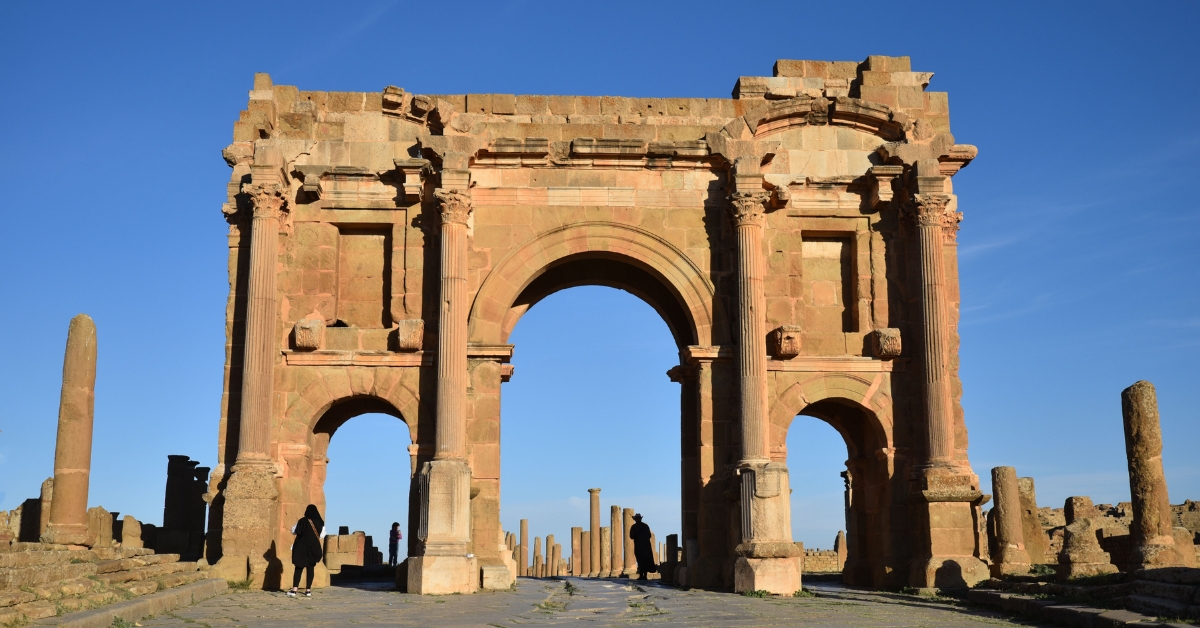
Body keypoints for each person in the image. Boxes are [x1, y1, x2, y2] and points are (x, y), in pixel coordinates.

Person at [287, 504, 324, 597]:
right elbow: (322, 535)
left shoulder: (303, 521)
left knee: (298, 568)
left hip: (301, 547)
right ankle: (308, 590)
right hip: (313, 548)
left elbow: (294, 531)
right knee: (310, 569)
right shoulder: (320, 522)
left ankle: (294, 590)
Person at [629, 513, 656, 580]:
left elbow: (631, 536)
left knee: (640, 560)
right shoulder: (645, 526)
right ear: (640, 519)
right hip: (646, 546)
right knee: (646, 560)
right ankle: (645, 575)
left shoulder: (634, 527)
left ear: (635, 520)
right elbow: (649, 535)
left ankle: (641, 575)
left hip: (638, 546)